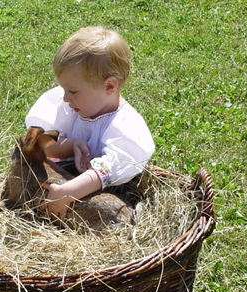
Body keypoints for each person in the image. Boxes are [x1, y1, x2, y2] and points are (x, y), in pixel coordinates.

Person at [25, 26, 155, 221]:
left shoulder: (123, 126)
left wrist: (66, 193)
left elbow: (106, 171)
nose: (66, 98)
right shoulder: (68, 107)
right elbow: (39, 145)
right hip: (60, 182)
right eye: (63, 89)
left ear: (109, 86)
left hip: (87, 193)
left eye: (73, 91)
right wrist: (71, 145)